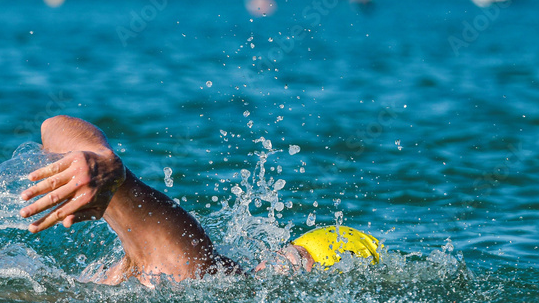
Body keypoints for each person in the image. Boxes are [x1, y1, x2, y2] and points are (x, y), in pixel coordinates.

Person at [19, 115, 380, 286]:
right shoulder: (200, 270)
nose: (273, 263)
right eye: (288, 254)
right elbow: (54, 126)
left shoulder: (208, 277)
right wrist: (100, 156)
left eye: (293, 261)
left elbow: (52, 126)